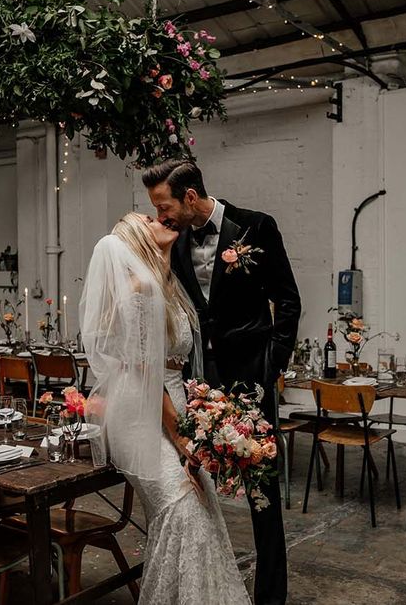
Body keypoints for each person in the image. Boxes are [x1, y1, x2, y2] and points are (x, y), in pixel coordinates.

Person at [143, 159, 301, 605]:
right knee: (194, 484)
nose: (160, 216)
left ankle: (271, 597)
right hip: (200, 384)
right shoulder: (174, 242)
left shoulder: (256, 228)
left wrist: (271, 368)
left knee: (262, 493)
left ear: (189, 196)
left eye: (164, 205)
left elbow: (288, 302)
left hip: (252, 379)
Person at [80, 212, 252, 604]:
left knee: (202, 507)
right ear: (139, 235)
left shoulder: (167, 283)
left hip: (170, 403)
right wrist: (179, 436)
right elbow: (144, 371)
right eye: (148, 218)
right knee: (183, 510)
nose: (159, 218)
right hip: (140, 412)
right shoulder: (139, 286)